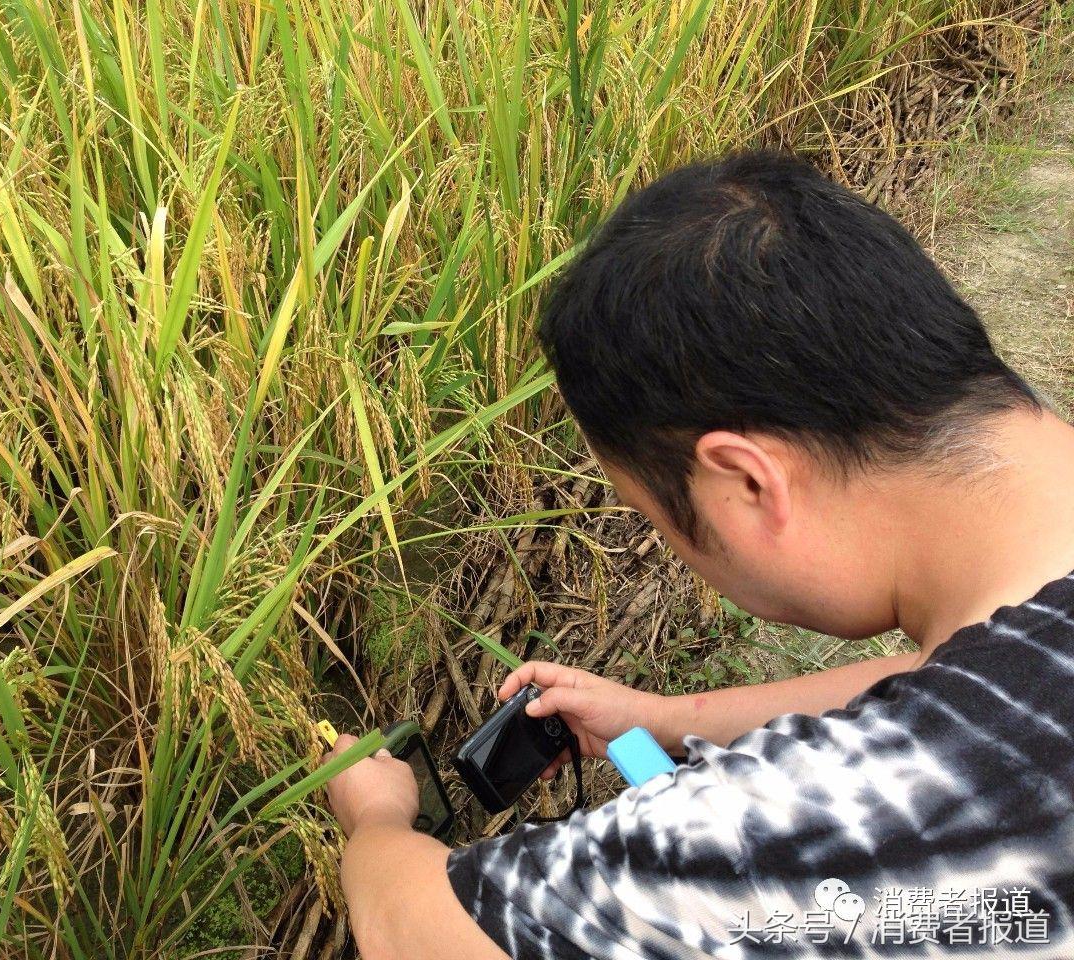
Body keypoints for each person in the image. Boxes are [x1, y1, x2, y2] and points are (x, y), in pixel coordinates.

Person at [322, 150, 1074, 958]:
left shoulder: (823, 820)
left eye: (658, 521)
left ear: (746, 483)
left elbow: (419, 935)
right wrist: (663, 723)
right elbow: (967, 673)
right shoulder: (1017, 670)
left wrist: (377, 818)